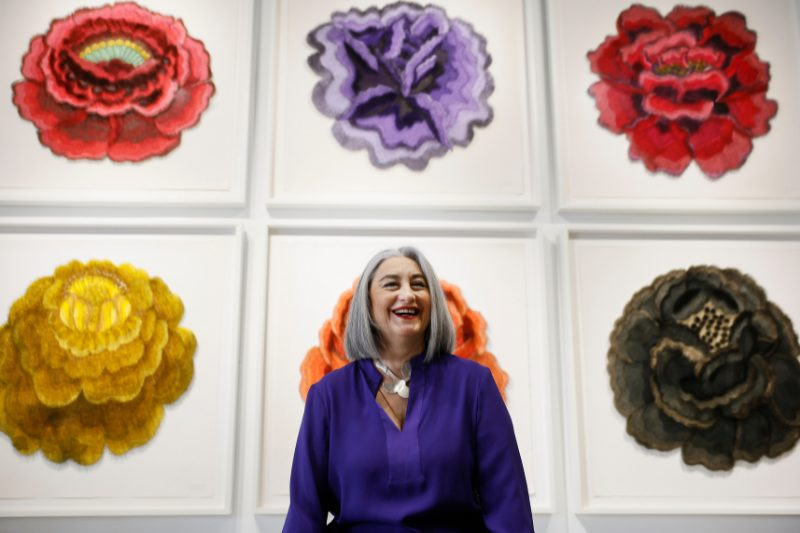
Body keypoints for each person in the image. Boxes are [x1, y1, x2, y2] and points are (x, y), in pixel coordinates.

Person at [283, 246, 535, 532]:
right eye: (392, 284)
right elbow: (304, 514)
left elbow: (509, 509)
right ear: (367, 304)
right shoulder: (327, 396)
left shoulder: (475, 385)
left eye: (418, 285)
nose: (408, 294)